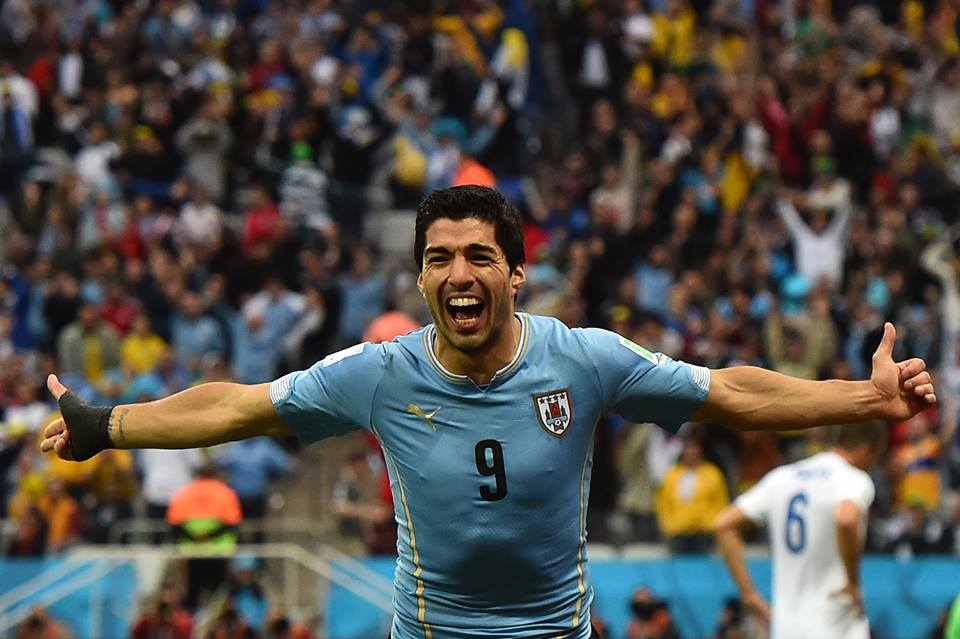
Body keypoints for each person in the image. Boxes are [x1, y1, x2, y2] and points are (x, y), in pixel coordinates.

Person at [40, 186, 937, 638]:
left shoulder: (583, 358)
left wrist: (865, 396)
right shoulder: (380, 373)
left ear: (516, 273)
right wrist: (106, 424)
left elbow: (727, 391)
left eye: (478, 255)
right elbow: (238, 405)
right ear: (421, 277)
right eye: (439, 258)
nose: (458, 273)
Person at [712, 421, 888, 639]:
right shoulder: (852, 479)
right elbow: (846, 518)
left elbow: (724, 525)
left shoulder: (782, 477)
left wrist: (749, 594)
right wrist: (853, 582)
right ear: (867, 449)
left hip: (786, 627)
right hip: (834, 622)